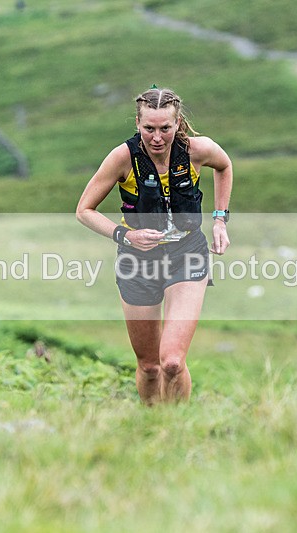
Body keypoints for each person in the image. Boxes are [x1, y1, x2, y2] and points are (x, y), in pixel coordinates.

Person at [76, 86, 233, 404]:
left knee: (172, 362)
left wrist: (219, 220)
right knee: (149, 367)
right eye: (149, 128)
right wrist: (124, 236)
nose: (157, 137)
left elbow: (225, 166)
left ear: (178, 124)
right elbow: (84, 211)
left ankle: (179, 428)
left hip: (187, 254)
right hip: (137, 261)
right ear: (137, 123)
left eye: (165, 128)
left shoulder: (196, 150)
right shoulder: (123, 158)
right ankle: (153, 427)